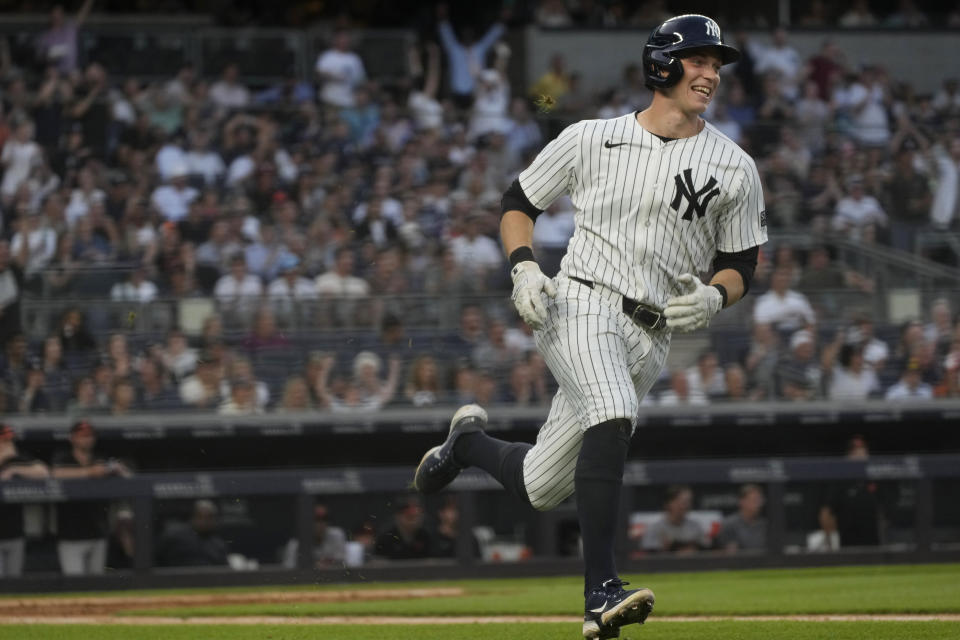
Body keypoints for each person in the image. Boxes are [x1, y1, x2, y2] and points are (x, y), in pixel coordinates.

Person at [413, 15, 765, 640]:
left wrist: (714, 297)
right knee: (611, 411)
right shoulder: (589, 137)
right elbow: (518, 203)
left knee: (542, 487)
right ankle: (601, 591)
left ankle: (465, 444)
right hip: (580, 303)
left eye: (717, 63)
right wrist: (523, 270)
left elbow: (741, 265)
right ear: (662, 64)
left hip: (653, 335)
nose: (711, 73)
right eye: (699, 59)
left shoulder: (735, 166)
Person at [51, 420, 132, 575]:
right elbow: (54, 474)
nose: (87, 439)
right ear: (72, 438)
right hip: (70, 535)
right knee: (75, 584)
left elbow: (129, 478)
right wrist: (90, 473)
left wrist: (117, 470)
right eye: (82, 436)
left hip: (97, 533)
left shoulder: (100, 458)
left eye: (89, 436)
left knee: (96, 584)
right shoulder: (63, 458)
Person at [0, 423, 51, 577]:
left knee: (14, 582)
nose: (9, 444)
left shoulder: (17, 460)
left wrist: (14, 468)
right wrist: (3, 458)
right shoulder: (7, 458)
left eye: (10, 440)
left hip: (15, 531)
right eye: (4, 440)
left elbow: (43, 472)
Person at [156, 499, 229, 567]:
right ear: (193, 517)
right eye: (200, 516)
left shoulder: (218, 545)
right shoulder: (174, 537)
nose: (204, 521)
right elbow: (157, 561)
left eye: (209, 517)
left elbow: (223, 569)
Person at [641, 484, 709, 554]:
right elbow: (647, 553)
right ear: (670, 503)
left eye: (689, 502)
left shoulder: (695, 526)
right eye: (683, 502)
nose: (687, 506)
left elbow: (707, 547)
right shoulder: (655, 528)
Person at [282, 504, 347, 568]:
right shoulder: (295, 543)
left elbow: (341, 564)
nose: (321, 523)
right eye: (317, 519)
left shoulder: (336, 535)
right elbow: (288, 570)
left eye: (325, 518)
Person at [373, 495, 431, 560]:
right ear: (398, 516)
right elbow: (379, 564)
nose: (414, 521)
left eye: (417, 517)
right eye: (409, 517)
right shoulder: (386, 538)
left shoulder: (426, 537)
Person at [715, 484, 767, 553]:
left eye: (759, 500)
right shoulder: (729, 524)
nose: (758, 504)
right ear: (742, 501)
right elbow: (730, 553)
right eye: (754, 500)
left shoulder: (765, 524)